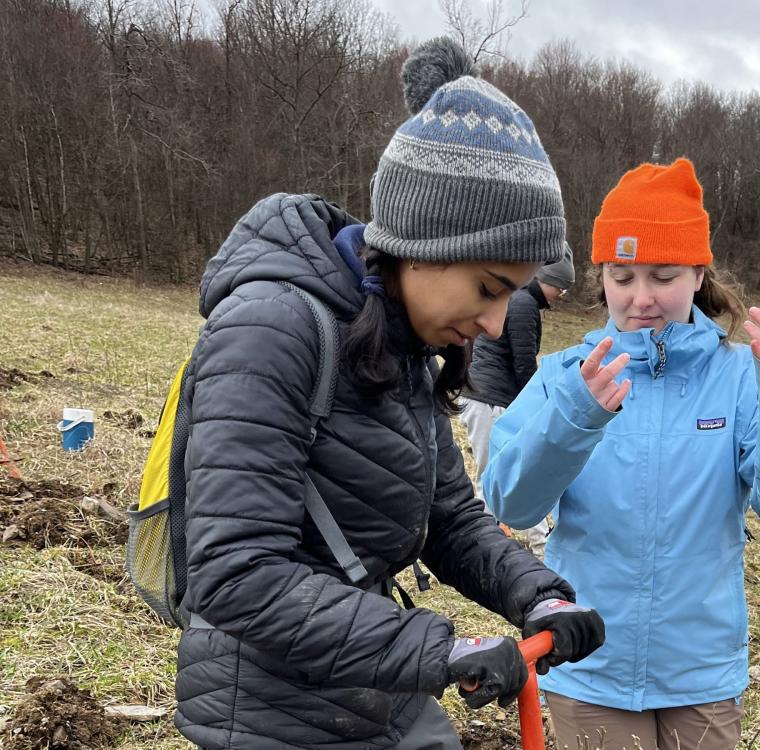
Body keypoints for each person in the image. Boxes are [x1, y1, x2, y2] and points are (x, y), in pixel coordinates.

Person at [173, 37, 604, 750]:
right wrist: (440, 649)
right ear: (422, 243)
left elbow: (449, 516)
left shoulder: (404, 339)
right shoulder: (272, 329)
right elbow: (234, 572)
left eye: (515, 295)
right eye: (489, 289)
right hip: (271, 710)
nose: (496, 323)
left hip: (375, 685)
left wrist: (539, 594)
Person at [482, 158, 760, 750]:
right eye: (622, 276)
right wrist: (579, 416)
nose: (640, 298)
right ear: (602, 277)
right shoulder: (568, 374)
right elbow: (511, 502)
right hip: (590, 664)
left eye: (663, 274)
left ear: (699, 274)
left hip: (701, 673)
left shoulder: (740, 376)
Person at [458, 244, 576, 557]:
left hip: (491, 398)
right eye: (560, 288)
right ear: (546, 279)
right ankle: (490, 546)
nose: (559, 295)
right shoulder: (522, 304)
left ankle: (517, 540)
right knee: (495, 476)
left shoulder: (520, 300)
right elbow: (524, 364)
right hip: (488, 400)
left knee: (506, 473)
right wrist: (537, 406)